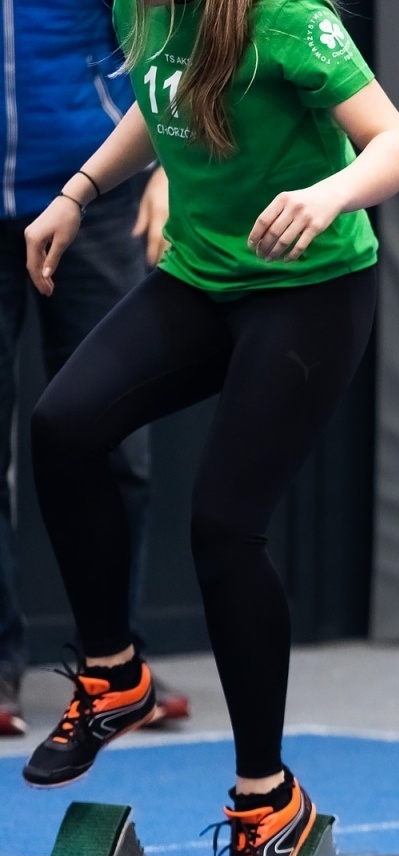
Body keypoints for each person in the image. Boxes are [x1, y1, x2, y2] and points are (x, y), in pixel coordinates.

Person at [20, 0, 399, 856]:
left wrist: (328, 195)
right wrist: (78, 192)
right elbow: (159, 104)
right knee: (63, 424)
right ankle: (114, 673)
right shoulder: (144, 6)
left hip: (311, 289)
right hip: (202, 276)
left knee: (223, 527)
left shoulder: (288, 19)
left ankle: (265, 799)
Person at [0, 1, 189, 738]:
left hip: (96, 197)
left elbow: (170, 41)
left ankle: (116, 668)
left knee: (114, 441)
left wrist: (169, 167)